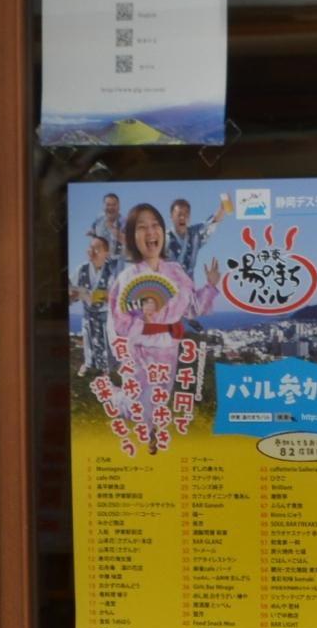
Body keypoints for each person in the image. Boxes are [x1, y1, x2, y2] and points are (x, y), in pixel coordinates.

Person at [108, 203, 219, 453]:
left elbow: (193, 308)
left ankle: (153, 434)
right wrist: (144, 323)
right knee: (137, 400)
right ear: (132, 236)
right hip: (139, 349)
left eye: (155, 225)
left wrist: (210, 286)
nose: (150, 232)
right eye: (142, 227)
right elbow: (119, 324)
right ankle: (118, 400)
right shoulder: (126, 278)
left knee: (160, 396)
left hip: (168, 348)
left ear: (162, 231)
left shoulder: (176, 272)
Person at [69, 234, 120, 377]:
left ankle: (107, 368)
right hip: (88, 315)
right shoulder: (82, 269)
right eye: (90, 248)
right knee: (88, 342)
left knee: (106, 344)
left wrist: (93, 295)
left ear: (106, 253)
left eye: (97, 248)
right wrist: (74, 294)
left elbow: (113, 295)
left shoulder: (111, 271)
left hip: (105, 316)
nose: (92, 251)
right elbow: (69, 286)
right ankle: (88, 363)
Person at [165, 197, 224, 280]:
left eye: (186, 214)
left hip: (188, 286)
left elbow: (212, 222)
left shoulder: (195, 235)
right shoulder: (163, 238)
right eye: (179, 214)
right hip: (167, 285)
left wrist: (222, 208)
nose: (182, 217)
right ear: (171, 216)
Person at [87, 192, 126, 262]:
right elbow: (93, 230)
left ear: (119, 206)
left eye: (114, 205)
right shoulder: (99, 218)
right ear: (103, 206)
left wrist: (112, 228)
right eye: (108, 205)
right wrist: (92, 233)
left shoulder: (123, 222)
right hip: (101, 258)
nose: (110, 207)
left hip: (117, 259)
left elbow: (127, 241)